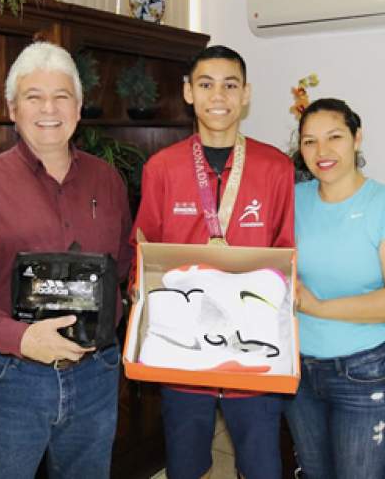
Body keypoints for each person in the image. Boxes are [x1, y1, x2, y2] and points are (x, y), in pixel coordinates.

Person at [0, 41, 132, 478]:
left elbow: (125, 266)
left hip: (96, 373)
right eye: (33, 97)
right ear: (12, 108)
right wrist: (20, 339)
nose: (49, 109)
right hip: (9, 378)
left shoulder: (108, 180)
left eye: (61, 96)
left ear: (78, 108)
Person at [131, 45, 294, 479]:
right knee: (185, 467)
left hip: (254, 347)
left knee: (261, 467)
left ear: (246, 94)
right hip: (184, 348)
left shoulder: (276, 167)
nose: (217, 95)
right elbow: (143, 243)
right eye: (205, 84)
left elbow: (287, 248)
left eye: (230, 85)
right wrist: (139, 292)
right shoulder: (161, 167)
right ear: (188, 92)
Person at [281, 98, 385, 479]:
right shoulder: (294, 199)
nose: (322, 152)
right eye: (309, 142)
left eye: (334, 137)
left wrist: (320, 307)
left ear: (357, 139)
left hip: (363, 370)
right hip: (298, 371)